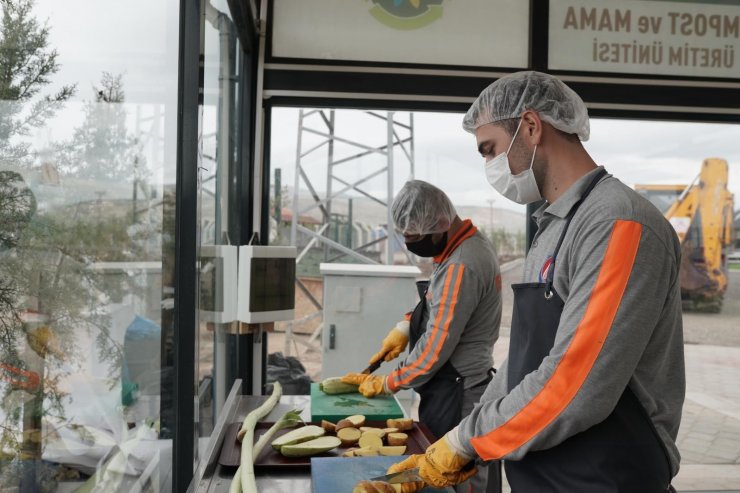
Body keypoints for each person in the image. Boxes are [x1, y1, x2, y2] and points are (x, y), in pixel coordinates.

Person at [386, 71, 685, 492]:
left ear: (530, 127)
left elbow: (578, 384)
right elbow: (525, 360)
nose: (489, 165)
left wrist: (467, 440)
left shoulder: (617, 224)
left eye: (489, 150)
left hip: (606, 475)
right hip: (548, 473)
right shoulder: (552, 228)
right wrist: (473, 429)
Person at [341, 179, 502, 493]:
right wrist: (404, 328)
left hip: (459, 393)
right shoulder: (461, 245)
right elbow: (438, 302)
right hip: (455, 387)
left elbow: (434, 350)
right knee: (440, 471)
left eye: (415, 236)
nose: (410, 242)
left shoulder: (462, 264)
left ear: (440, 223)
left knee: (457, 479)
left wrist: (389, 382)